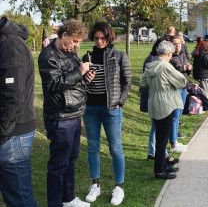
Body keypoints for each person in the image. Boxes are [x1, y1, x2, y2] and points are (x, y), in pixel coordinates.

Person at [38, 19, 92, 207]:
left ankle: (68, 198)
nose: (77, 45)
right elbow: (53, 84)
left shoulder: (70, 53)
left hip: (75, 113)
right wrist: (79, 72)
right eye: (75, 41)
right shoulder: (48, 55)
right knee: (58, 164)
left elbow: (75, 79)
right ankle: (55, 203)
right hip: (60, 117)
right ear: (64, 35)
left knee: (71, 158)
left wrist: (85, 77)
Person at [81, 22, 131, 205]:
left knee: (115, 148)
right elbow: (81, 84)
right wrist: (85, 79)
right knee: (93, 147)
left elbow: (127, 82)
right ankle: (95, 185)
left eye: (103, 37)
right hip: (90, 109)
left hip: (111, 110)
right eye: (96, 38)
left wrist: (120, 101)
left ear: (109, 37)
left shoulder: (119, 56)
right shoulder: (87, 56)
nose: (99, 41)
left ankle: (119, 188)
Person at [0, 17, 38, 207]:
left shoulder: (9, 44)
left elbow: (12, 95)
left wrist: (2, 130)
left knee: (20, 201)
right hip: (9, 133)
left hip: (12, 136)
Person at [140, 40, 186, 180]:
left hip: (154, 102)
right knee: (162, 139)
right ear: (169, 53)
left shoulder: (150, 65)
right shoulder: (167, 67)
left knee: (161, 137)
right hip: (166, 104)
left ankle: (164, 165)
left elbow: (143, 83)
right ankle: (159, 171)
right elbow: (182, 82)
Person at [169, 36, 190, 152]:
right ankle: (173, 143)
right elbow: (171, 72)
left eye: (179, 43)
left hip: (183, 86)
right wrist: (183, 67)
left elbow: (186, 71)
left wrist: (188, 68)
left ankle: (175, 141)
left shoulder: (183, 54)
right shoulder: (170, 56)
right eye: (175, 44)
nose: (178, 46)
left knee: (179, 115)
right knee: (175, 116)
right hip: (175, 88)